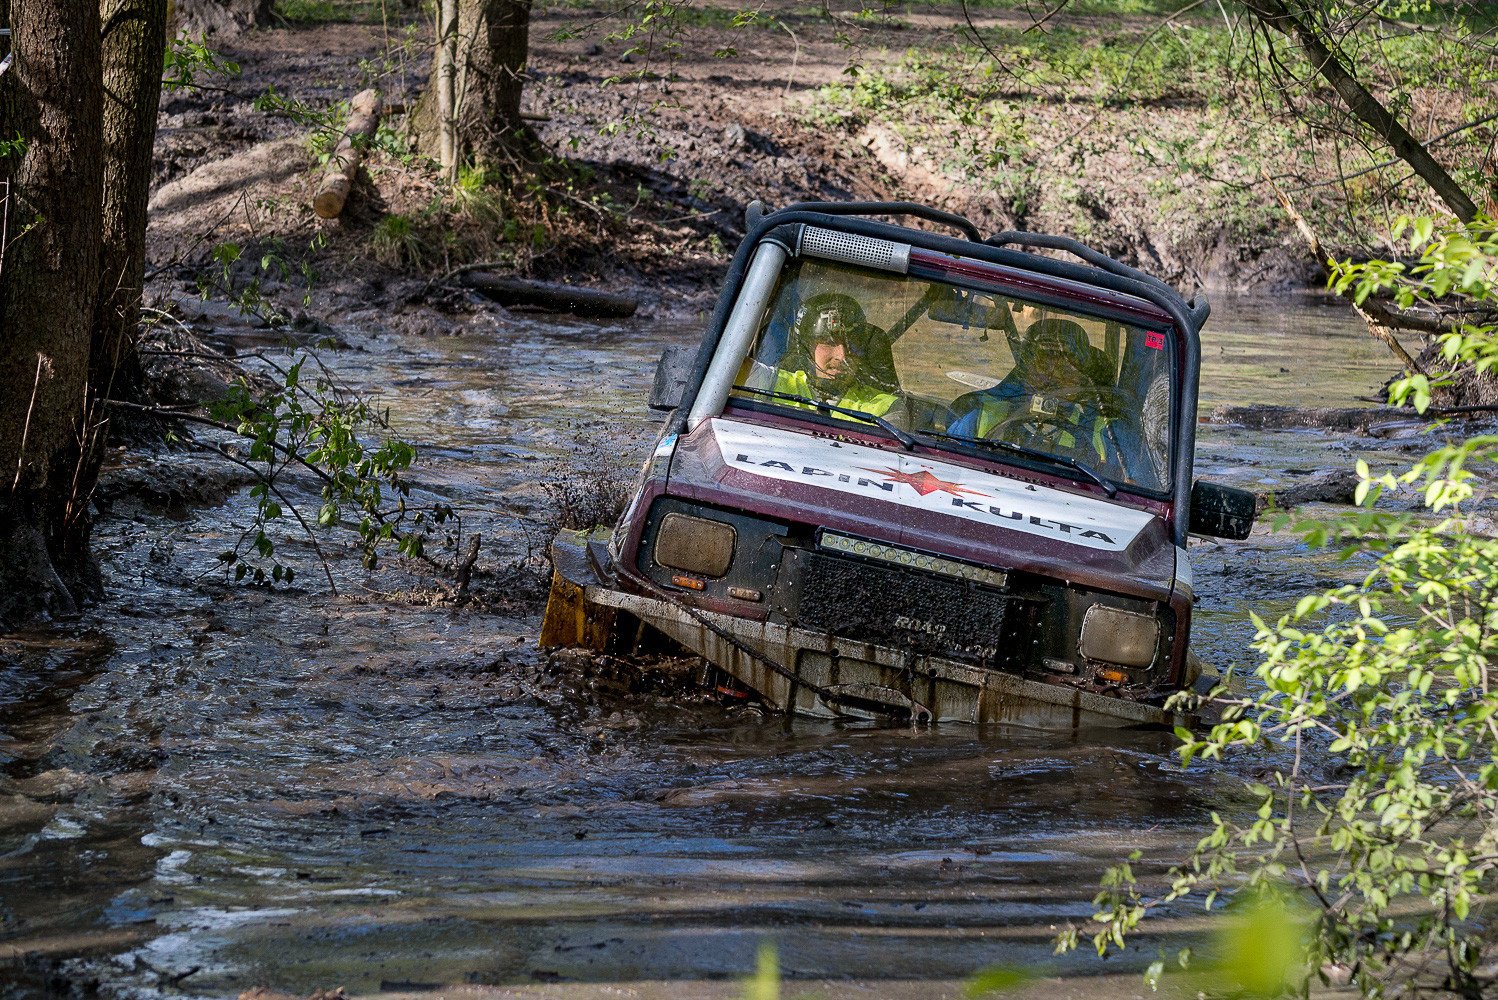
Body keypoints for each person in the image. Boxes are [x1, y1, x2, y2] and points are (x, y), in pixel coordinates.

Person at [949, 316, 1116, 460]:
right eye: (1043, 363)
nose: (1053, 376)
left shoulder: (1106, 434)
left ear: (1081, 377)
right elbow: (948, 467)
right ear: (1025, 370)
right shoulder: (981, 416)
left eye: (1065, 366)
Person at [772, 292, 901, 417]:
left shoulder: (885, 408)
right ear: (805, 346)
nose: (842, 356)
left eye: (852, 344)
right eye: (828, 342)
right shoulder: (772, 382)